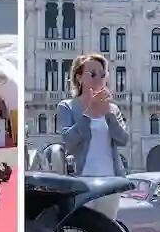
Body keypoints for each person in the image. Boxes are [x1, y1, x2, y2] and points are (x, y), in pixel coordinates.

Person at [56, 53, 130, 219]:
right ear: (79, 78)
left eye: (103, 75)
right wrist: (89, 113)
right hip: (81, 180)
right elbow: (69, 141)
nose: (99, 79)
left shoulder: (113, 109)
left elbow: (123, 139)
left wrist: (108, 114)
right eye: (93, 74)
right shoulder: (67, 107)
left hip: (110, 180)